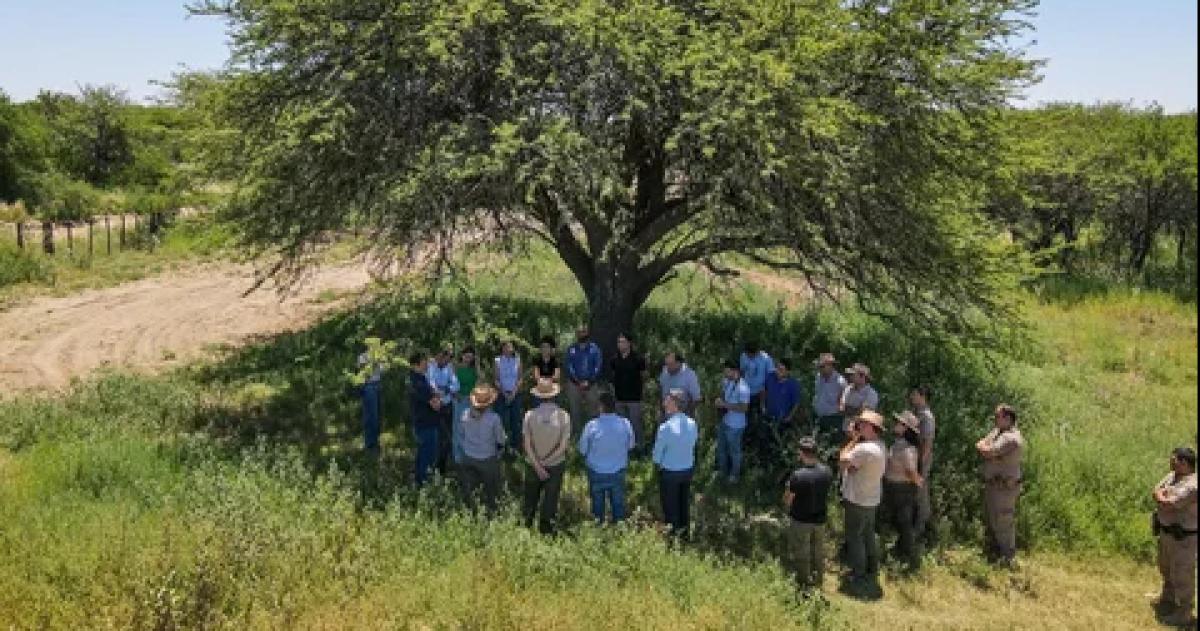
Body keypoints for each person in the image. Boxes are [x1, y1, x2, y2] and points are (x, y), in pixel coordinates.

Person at [838, 410, 886, 590]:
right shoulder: (880, 446)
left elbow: (842, 461)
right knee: (868, 535)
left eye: (863, 424)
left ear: (872, 428)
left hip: (857, 499)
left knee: (854, 536)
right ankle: (872, 567)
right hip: (871, 498)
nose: (859, 427)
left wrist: (853, 440)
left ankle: (858, 573)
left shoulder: (863, 448)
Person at [1151, 446, 1197, 627]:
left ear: (1184, 463)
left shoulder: (1193, 485)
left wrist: (1162, 497)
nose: (1171, 462)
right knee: (1166, 567)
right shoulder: (1173, 476)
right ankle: (1167, 598)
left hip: (1184, 538)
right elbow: (1155, 490)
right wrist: (1160, 496)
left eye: (1174, 460)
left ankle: (1184, 612)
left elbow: (1170, 504)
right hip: (1167, 533)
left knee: (1183, 574)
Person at [975, 404, 1024, 565]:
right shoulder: (998, 432)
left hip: (1004, 488)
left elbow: (987, 451)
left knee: (1003, 521)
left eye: (998, 417)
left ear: (1008, 419)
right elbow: (981, 444)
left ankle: (1008, 558)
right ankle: (995, 554)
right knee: (992, 520)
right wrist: (987, 449)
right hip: (994, 486)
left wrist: (988, 452)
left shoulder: (1011, 438)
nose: (995, 419)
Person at [522, 378, 572, 534]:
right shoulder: (564, 416)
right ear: (554, 395)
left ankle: (526, 528)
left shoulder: (529, 415)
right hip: (555, 465)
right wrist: (546, 463)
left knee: (530, 498)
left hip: (533, 465)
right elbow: (563, 446)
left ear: (538, 396)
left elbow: (527, 444)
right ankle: (546, 530)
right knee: (550, 499)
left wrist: (537, 465)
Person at [783, 436, 833, 591]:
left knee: (802, 552)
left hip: (801, 520)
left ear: (801, 453)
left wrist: (787, 489)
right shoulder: (827, 471)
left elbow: (788, 499)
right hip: (820, 519)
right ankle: (818, 579)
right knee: (818, 551)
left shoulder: (798, 475)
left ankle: (804, 583)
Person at [578, 390, 634, 524]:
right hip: (618, 471)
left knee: (597, 508)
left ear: (600, 406)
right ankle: (619, 533)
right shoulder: (625, 423)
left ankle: (599, 534)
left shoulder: (591, 426)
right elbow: (631, 446)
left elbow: (582, 450)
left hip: (596, 471)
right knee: (618, 506)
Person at [881, 411, 924, 570]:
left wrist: (916, 481)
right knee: (898, 520)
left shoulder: (908, 448)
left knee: (904, 522)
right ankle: (901, 550)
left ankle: (908, 554)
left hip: (903, 489)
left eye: (899, 423)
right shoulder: (898, 444)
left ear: (906, 428)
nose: (895, 424)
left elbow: (911, 470)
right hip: (894, 486)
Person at [653, 389, 699, 538]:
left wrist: (658, 463)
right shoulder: (692, 423)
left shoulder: (665, 428)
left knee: (670, 508)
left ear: (674, 404)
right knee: (683, 504)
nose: (664, 403)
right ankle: (685, 536)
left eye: (667, 400)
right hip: (687, 469)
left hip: (670, 472)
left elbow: (657, 455)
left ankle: (673, 540)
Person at [457, 385, 506, 517]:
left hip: (468, 457)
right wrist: (499, 453)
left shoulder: (465, 415)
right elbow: (500, 440)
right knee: (492, 491)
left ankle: (469, 515)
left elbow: (460, 436)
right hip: (488, 459)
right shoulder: (494, 419)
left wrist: (467, 448)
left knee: (469, 490)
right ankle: (493, 515)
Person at [608, 332, 648, 455]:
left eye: (623, 342)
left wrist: (642, 392)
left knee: (635, 424)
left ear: (629, 343)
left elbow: (645, 376)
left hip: (634, 398)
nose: (620, 344)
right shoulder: (614, 359)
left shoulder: (639, 359)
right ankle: (625, 448)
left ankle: (640, 448)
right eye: (619, 342)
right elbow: (612, 377)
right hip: (619, 398)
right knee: (621, 425)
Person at [714, 359, 751, 484]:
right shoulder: (727, 381)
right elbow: (724, 394)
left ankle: (735, 475)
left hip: (736, 426)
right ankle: (722, 471)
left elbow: (744, 408)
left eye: (727, 371)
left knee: (734, 451)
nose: (725, 374)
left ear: (735, 371)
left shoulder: (743, 388)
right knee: (721, 448)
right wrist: (720, 400)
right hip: (724, 421)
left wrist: (725, 405)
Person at [408, 351, 442, 487]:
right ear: (417, 364)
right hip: (426, 423)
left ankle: (418, 480)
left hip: (422, 422)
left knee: (422, 453)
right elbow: (436, 405)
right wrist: (437, 396)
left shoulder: (417, 379)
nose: (427, 363)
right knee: (428, 455)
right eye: (424, 361)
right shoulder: (419, 382)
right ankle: (422, 484)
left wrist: (434, 394)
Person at [909, 385, 937, 542]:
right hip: (913, 457)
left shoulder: (927, 416)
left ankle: (923, 526)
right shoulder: (916, 413)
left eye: (914, 394)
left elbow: (927, 442)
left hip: (921, 460)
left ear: (922, 396)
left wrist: (920, 463)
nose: (912, 397)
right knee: (914, 491)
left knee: (921, 492)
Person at [427, 348, 460, 474]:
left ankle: (442, 467)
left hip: (447, 406)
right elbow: (431, 385)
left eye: (450, 358)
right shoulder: (431, 367)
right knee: (437, 437)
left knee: (447, 437)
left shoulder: (449, 367)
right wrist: (446, 389)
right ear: (440, 355)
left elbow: (456, 385)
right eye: (447, 358)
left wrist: (445, 388)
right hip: (435, 407)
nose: (448, 361)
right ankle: (433, 465)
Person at [565, 325, 603, 433]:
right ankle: (577, 434)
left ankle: (593, 433)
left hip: (591, 384)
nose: (582, 334)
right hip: (574, 384)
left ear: (587, 333)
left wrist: (590, 381)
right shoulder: (571, 349)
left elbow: (598, 365)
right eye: (579, 332)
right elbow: (568, 365)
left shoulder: (595, 348)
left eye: (584, 332)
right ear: (577, 334)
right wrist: (577, 380)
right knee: (575, 410)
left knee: (594, 410)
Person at [493, 341, 523, 454]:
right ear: (502, 349)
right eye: (505, 347)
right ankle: (500, 446)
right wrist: (504, 393)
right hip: (501, 395)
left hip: (515, 394)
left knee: (515, 421)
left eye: (510, 347)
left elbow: (520, 379)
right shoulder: (497, 361)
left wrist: (514, 392)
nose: (508, 349)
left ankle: (514, 447)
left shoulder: (518, 360)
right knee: (501, 421)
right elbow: (496, 379)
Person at [356, 340, 386, 453]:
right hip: (368, 386)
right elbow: (365, 372)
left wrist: (379, 362)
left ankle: (376, 442)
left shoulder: (380, 357)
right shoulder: (362, 357)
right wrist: (374, 363)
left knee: (377, 416)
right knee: (370, 416)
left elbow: (383, 370)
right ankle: (369, 444)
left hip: (377, 385)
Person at [812, 353, 847, 444]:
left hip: (833, 419)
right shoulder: (819, 377)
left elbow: (844, 403)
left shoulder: (840, 382)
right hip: (818, 417)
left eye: (822, 366)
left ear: (830, 366)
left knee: (832, 446)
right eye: (819, 366)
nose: (820, 369)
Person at [451, 347, 479, 464]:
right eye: (466, 356)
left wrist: (477, 365)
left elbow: (479, 382)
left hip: (472, 400)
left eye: (470, 356)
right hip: (460, 399)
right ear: (462, 356)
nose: (468, 358)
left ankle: (470, 455)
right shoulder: (456, 368)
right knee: (458, 427)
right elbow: (451, 382)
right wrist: (456, 395)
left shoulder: (474, 369)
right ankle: (458, 456)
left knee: (471, 427)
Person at [839, 363, 879, 438]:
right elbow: (842, 408)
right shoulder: (848, 389)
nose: (851, 377)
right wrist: (856, 409)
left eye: (853, 375)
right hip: (845, 430)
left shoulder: (871, 394)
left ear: (862, 376)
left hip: (861, 433)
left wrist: (850, 410)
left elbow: (864, 414)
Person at [739, 341, 775, 423]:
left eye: (751, 355)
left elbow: (771, 376)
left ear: (757, 352)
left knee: (761, 415)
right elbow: (742, 372)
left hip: (760, 393)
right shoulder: (743, 356)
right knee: (745, 415)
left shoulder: (766, 359)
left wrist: (766, 392)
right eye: (748, 354)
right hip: (746, 392)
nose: (749, 356)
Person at [659, 351, 703, 416]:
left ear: (678, 363)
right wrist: (661, 410)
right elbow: (661, 390)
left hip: (683, 417)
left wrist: (686, 414)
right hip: (666, 417)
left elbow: (696, 399)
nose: (667, 368)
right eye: (666, 364)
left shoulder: (690, 375)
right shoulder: (664, 373)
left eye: (670, 364)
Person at [765, 357, 802, 427]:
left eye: (781, 370)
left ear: (788, 371)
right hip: (768, 416)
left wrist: (789, 417)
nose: (777, 372)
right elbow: (764, 390)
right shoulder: (770, 377)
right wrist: (763, 405)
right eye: (777, 368)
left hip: (782, 420)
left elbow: (796, 403)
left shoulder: (793, 385)